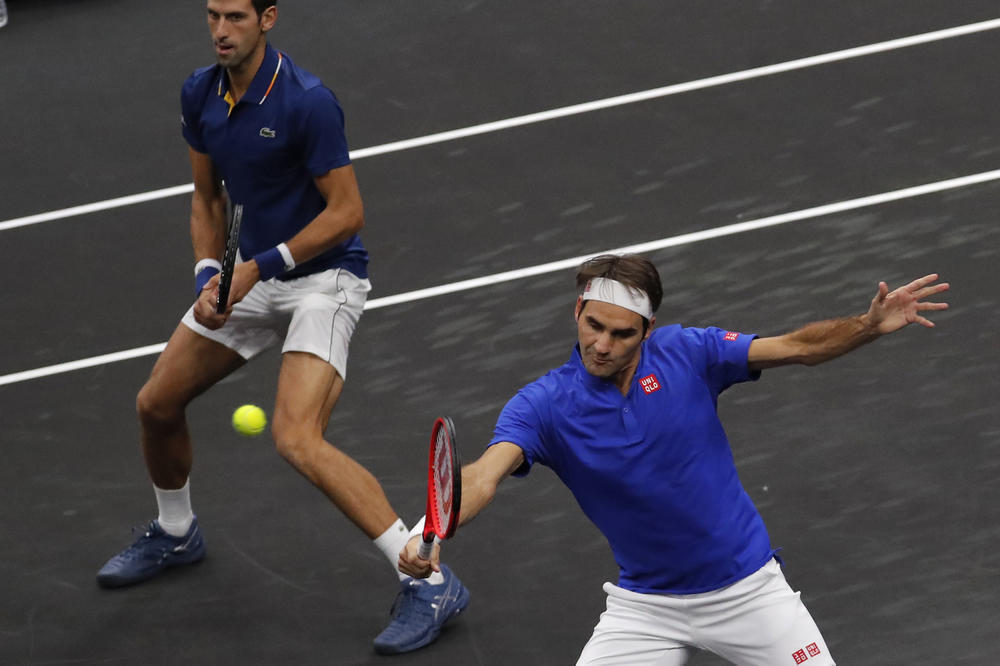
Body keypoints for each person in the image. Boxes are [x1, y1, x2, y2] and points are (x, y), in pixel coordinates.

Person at [95, 0, 468, 654]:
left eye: (236, 17)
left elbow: (347, 213)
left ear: (268, 18)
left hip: (325, 281)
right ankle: (177, 532)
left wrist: (257, 267)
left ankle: (430, 579)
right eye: (212, 15)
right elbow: (207, 196)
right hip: (248, 276)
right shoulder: (199, 92)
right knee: (156, 403)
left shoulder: (307, 102)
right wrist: (209, 275)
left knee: (296, 438)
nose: (220, 30)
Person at [399, 253, 949, 665]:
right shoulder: (542, 405)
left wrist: (866, 326)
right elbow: (484, 474)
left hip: (749, 592)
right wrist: (431, 527)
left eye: (621, 334)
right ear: (577, 311)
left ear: (648, 330)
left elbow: (797, 347)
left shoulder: (690, 351)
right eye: (593, 325)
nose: (602, 345)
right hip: (646, 608)